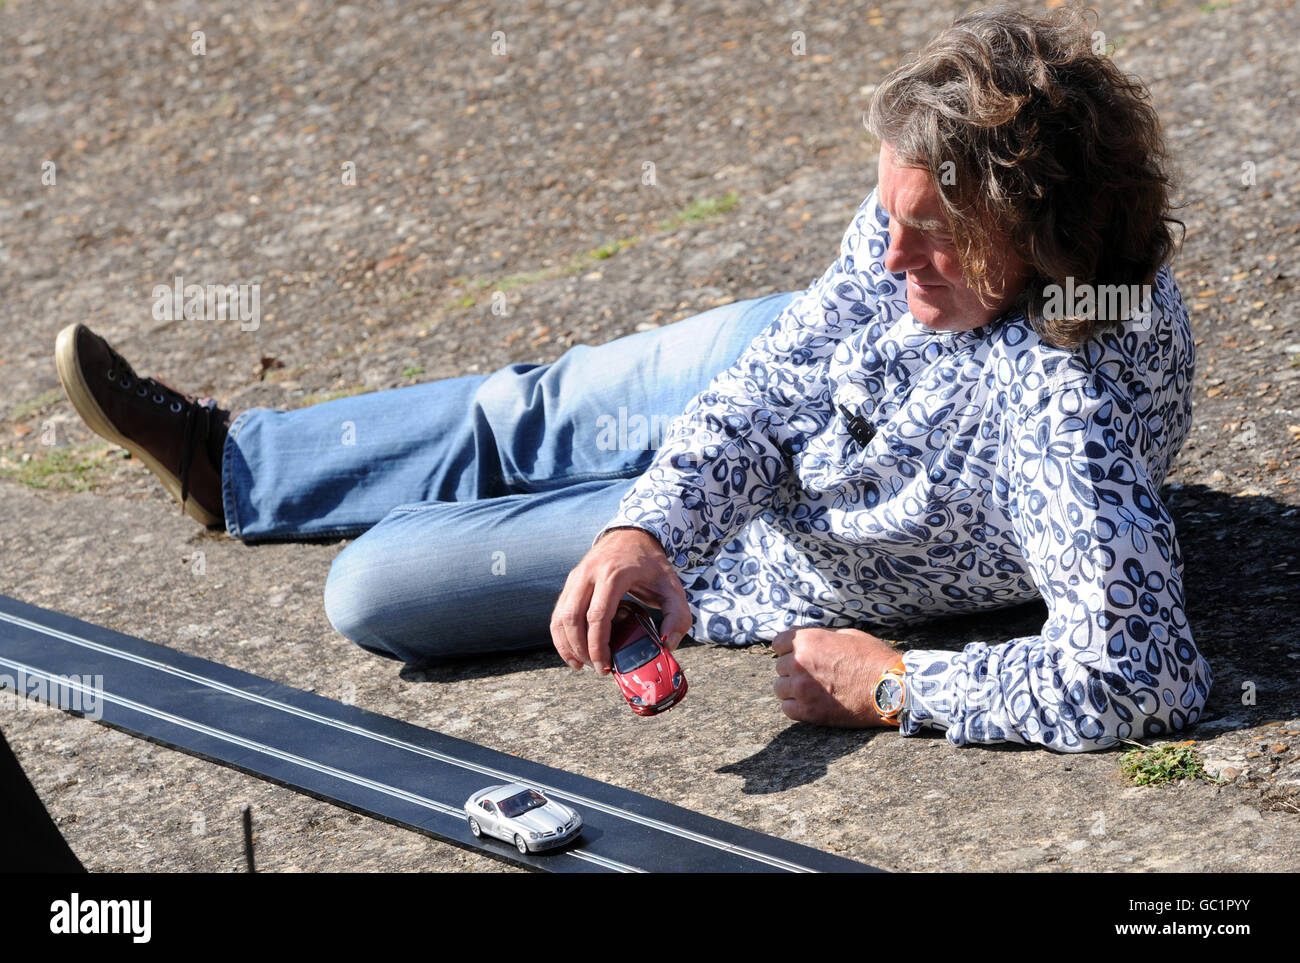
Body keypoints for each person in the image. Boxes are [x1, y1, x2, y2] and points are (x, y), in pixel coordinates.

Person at [54, 6, 1211, 753]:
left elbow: (1143, 672)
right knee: (535, 409)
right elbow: (804, 352)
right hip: (810, 381)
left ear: (1035, 225)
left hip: (808, 531)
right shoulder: (944, 238)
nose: (890, 249)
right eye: (889, 214)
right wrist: (649, 529)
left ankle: (356, 493)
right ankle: (235, 461)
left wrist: (898, 687)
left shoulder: (1062, 408)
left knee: (378, 593)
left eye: (932, 231)